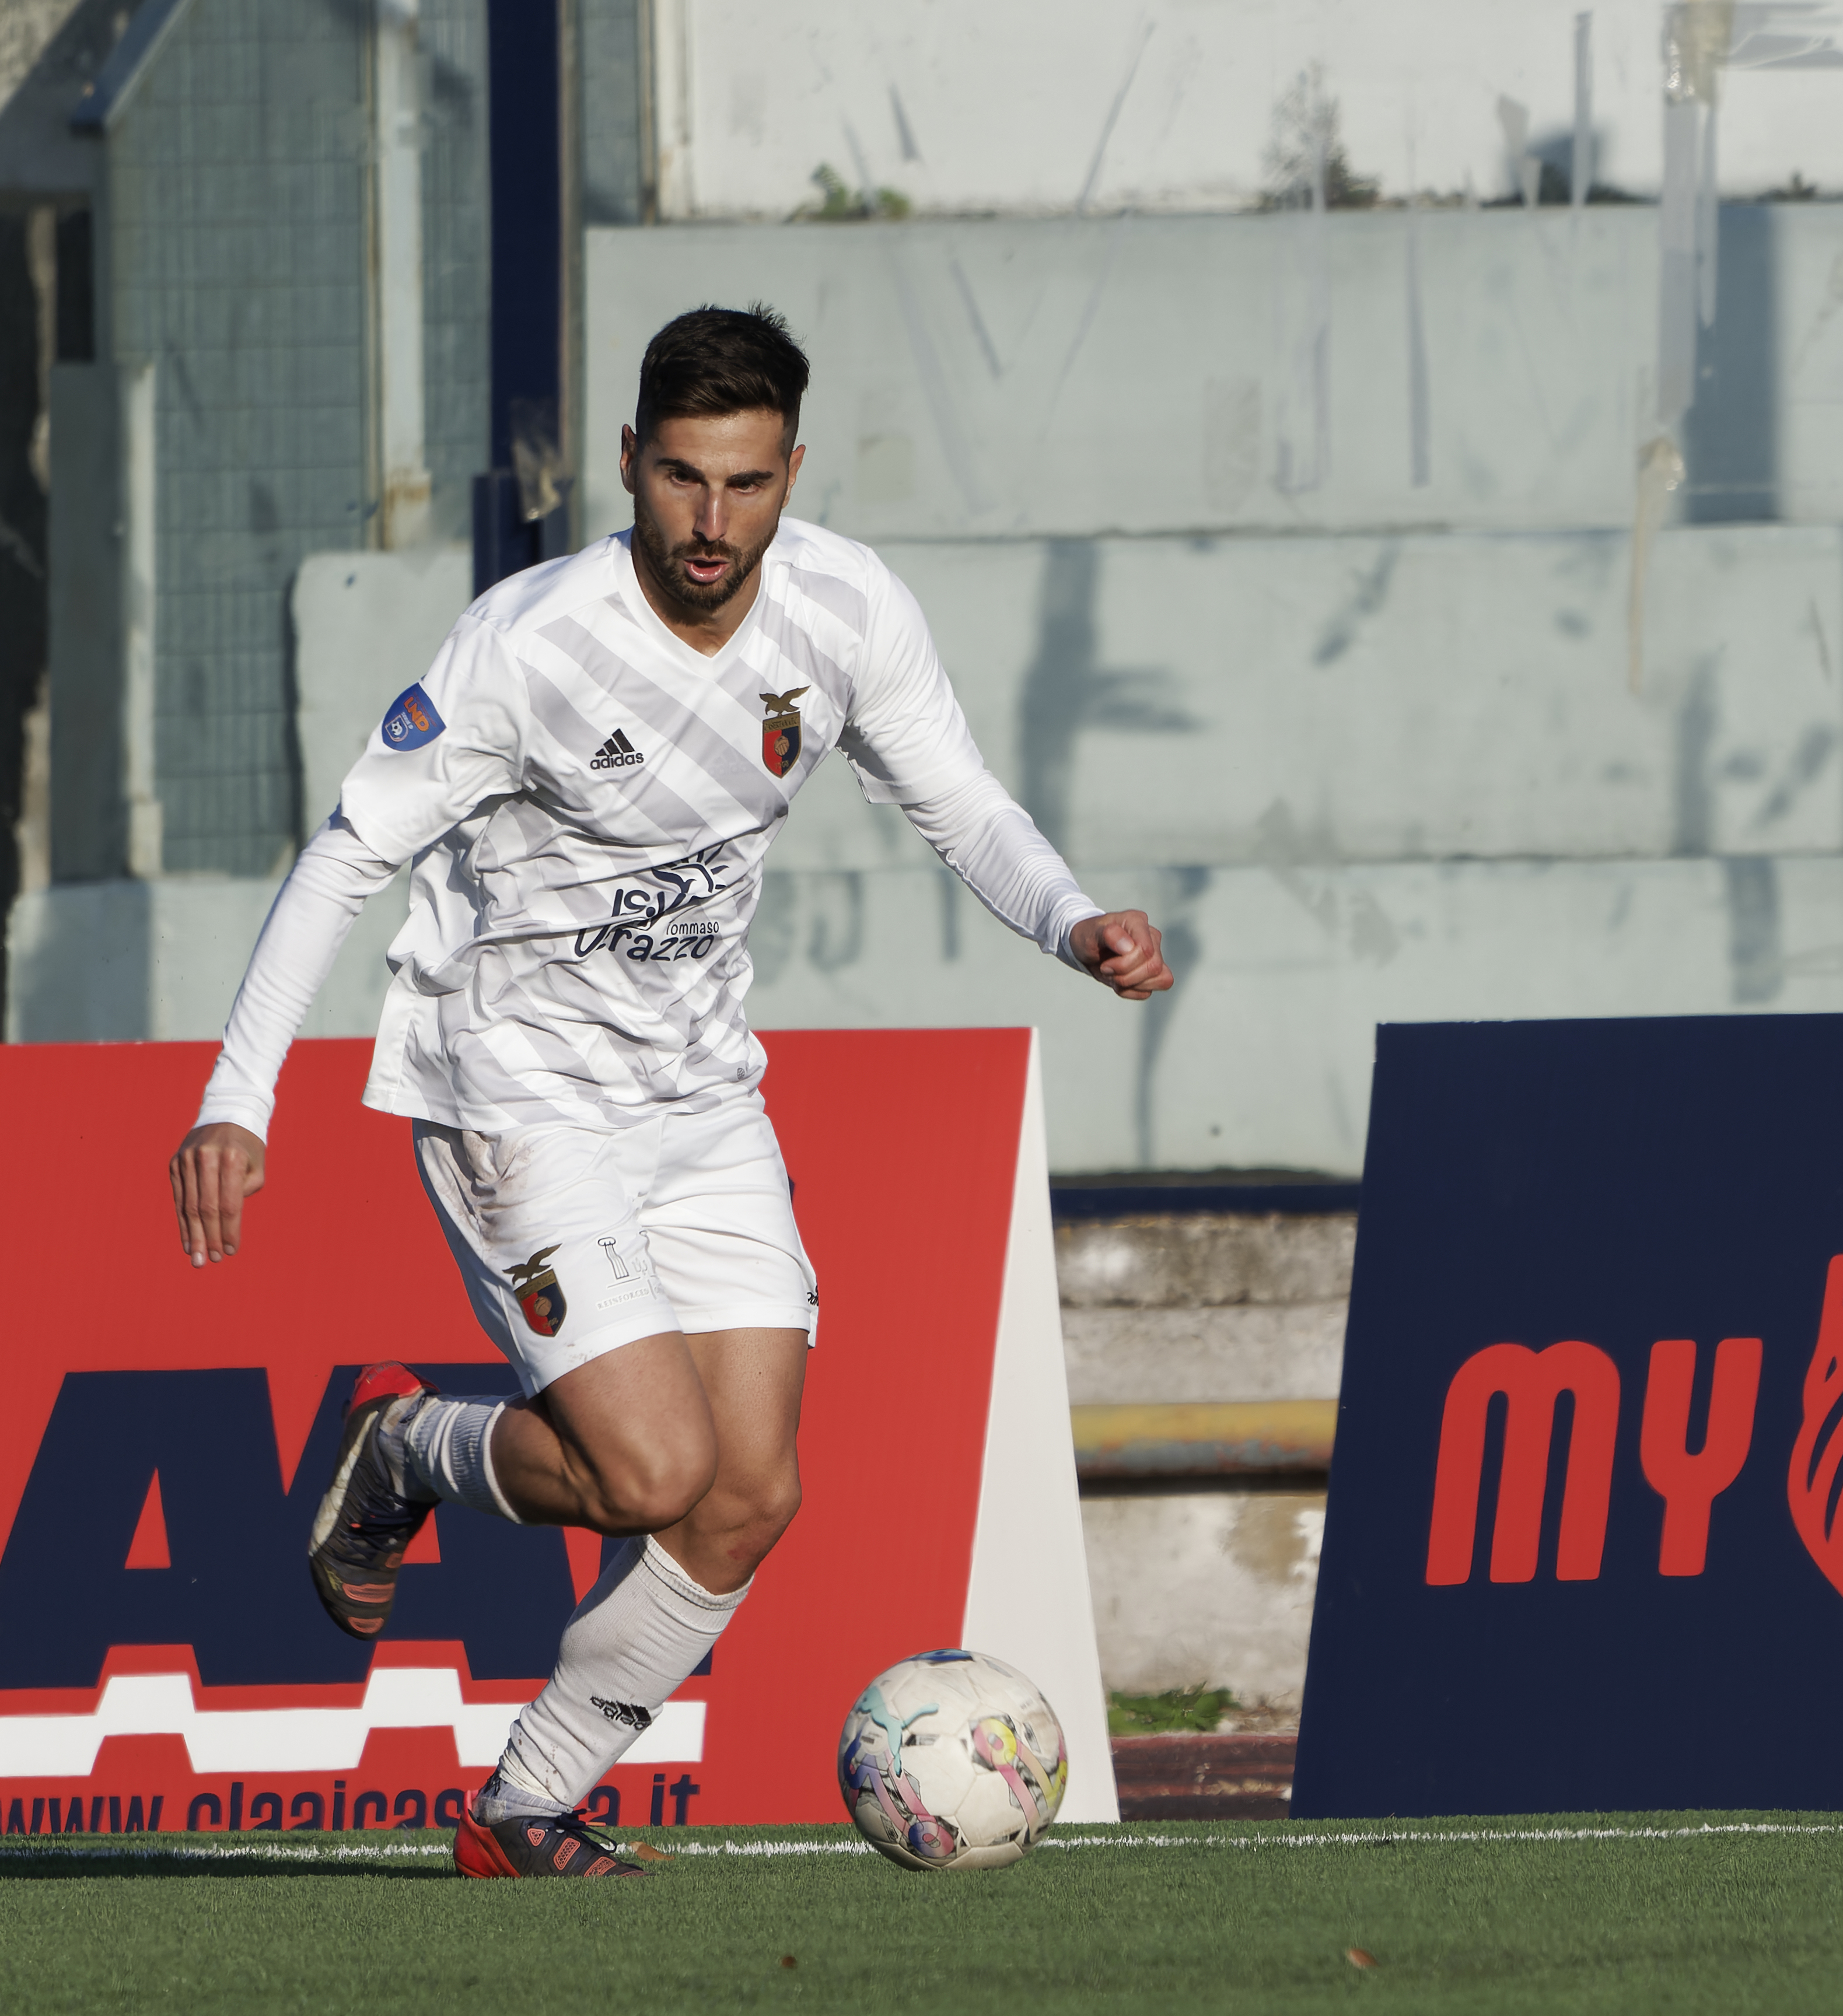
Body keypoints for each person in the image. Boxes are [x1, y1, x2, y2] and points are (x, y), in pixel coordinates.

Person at [163, 305, 1172, 1880]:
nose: (715, 523)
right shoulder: (529, 644)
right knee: (651, 1476)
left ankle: (524, 1806)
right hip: (514, 1090)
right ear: (631, 462)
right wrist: (242, 1097)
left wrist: (1068, 917)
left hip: (702, 1102)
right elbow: (352, 851)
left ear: (793, 474)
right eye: (685, 480)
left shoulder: (842, 609)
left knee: (748, 1497)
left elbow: (958, 798)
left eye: (750, 484)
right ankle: (410, 1452)